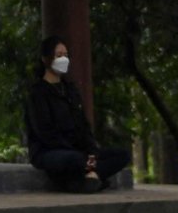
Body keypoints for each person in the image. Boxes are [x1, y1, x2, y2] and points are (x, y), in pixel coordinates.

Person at [24, 35, 132, 192]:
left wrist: (91, 151)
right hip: (49, 151)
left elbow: (83, 125)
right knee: (74, 159)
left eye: (66, 55)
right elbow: (45, 133)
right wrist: (80, 154)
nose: (63, 59)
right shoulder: (38, 93)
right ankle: (89, 178)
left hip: (79, 152)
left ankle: (91, 178)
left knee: (122, 155)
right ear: (46, 59)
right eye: (59, 55)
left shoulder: (70, 91)